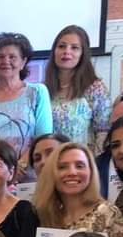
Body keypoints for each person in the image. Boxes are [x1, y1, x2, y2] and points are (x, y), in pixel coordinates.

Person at [0, 32, 53, 182]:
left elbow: (43, 138)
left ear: (23, 61)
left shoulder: (38, 92)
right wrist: (3, 170)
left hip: (32, 176)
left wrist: (20, 166)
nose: (6, 61)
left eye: (12, 57)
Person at [44, 25, 112, 154]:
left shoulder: (95, 88)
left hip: (83, 161)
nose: (66, 51)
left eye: (74, 48)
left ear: (83, 54)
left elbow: (103, 131)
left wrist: (94, 161)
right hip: (50, 160)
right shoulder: (43, 90)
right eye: (62, 46)